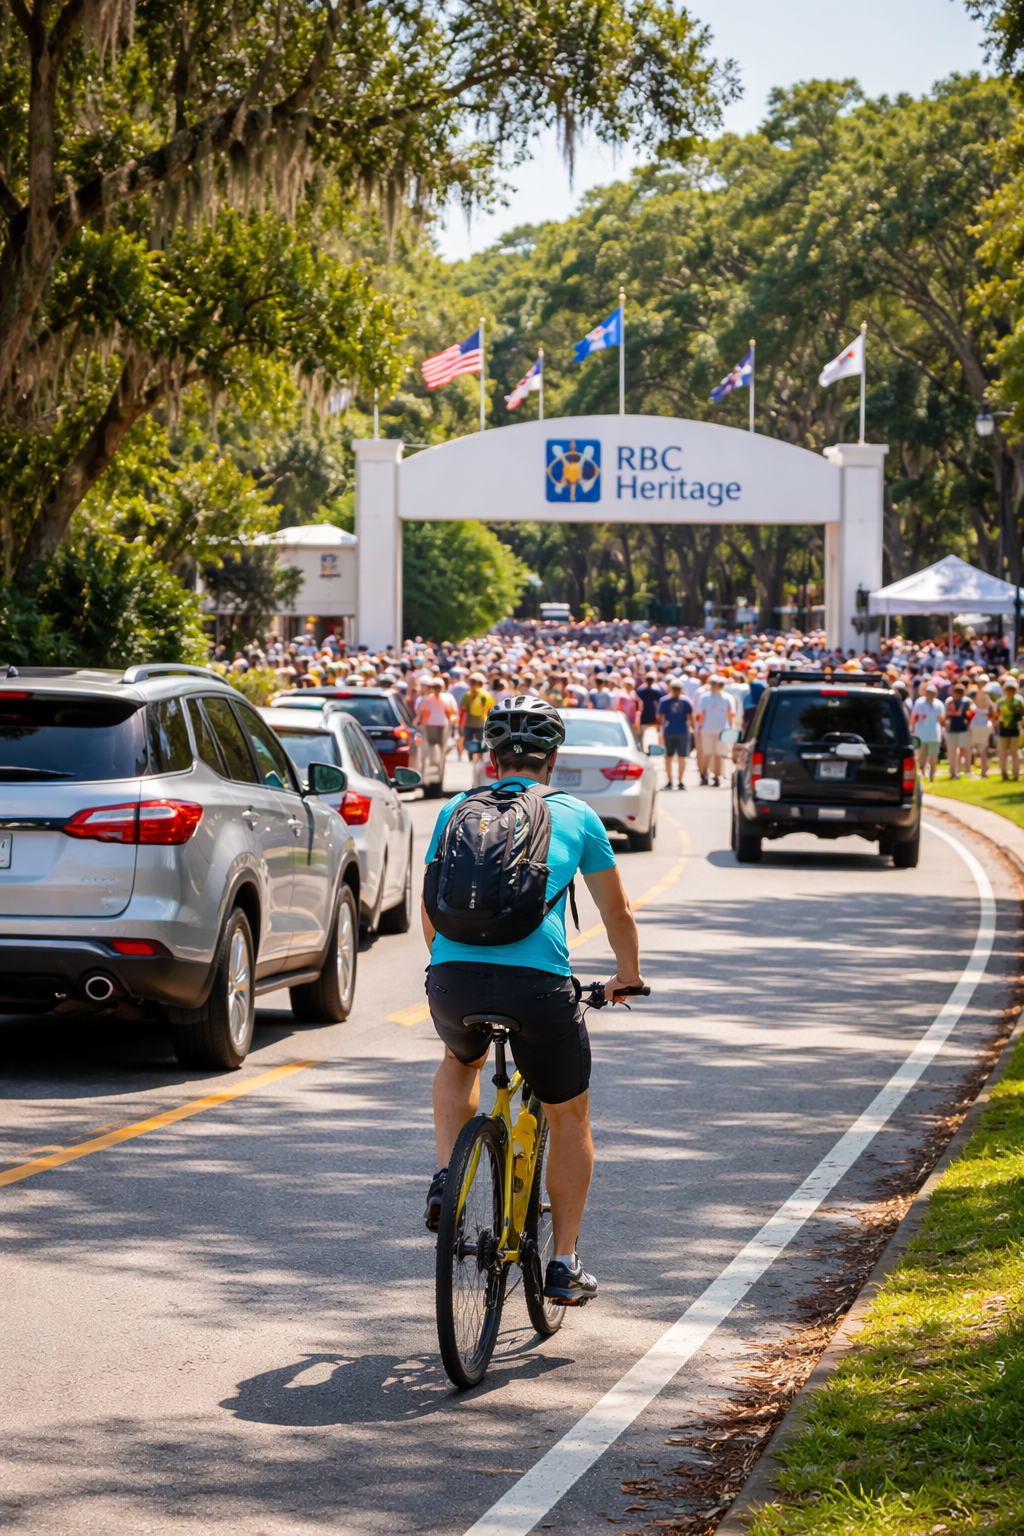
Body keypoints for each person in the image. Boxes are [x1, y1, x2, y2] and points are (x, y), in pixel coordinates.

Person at [421, 697, 643, 1306]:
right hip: (538, 990)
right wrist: (627, 976)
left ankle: (448, 1175)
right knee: (569, 1113)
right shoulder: (575, 814)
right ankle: (565, 1263)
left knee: (457, 1062)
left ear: (490, 757)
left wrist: (449, 966)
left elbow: (431, 909)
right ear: (553, 760)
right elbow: (616, 911)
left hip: (453, 980)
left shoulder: (453, 811)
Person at [694, 675, 735, 786]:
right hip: (708, 730)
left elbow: (731, 715)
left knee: (717, 754)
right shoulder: (705, 697)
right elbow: (701, 714)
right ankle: (704, 775)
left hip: (720, 730)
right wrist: (699, 727)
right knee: (708, 753)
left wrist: (731, 729)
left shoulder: (727, 697)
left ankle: (716, 776)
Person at [415, 678, 457, 787]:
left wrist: (452, 725)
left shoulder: (447, 698)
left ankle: (439, 768)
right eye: (435, 687)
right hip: (430, 725)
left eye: (438, 687)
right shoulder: (427, 699)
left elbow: (451, 712)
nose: (436, 689)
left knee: (441, 749)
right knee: (431, 747)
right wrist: (418, 721)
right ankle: (431, 768)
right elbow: (421, 712)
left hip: (443, 725)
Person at [656, 679, 694, 790]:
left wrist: (693, 729)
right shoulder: (664, 701)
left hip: (683, 731)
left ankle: (680, 780)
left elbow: (691, 717)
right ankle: (670, 780)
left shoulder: (686, 701)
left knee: (682, 757)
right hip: (670, 731)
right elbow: (660, 718)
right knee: (668, 757)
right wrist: (660, 732)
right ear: (671, 689)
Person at [909, 681, 944, 783]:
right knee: (922, 756)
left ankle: (932, 776)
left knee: (933, 756)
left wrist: (939, 718)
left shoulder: (939, 704)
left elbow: (941, 719)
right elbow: (913, 718)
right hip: (921, 734)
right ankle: (923, 774)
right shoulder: (919, 702)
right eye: (928, 692)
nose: (930, 694)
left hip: (935, 734)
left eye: (932, 692)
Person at [458, 671, 495, 756]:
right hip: (481, 723)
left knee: (469, 743)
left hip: (469, 723)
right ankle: (478, 759)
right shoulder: (486, 695)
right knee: (481, 744)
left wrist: (460, 724)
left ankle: (472, 757)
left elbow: (462, 711)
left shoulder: (467, 695)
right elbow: (491, 709)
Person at [996, 675, 1024, 781]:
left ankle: (1015, 774)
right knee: (1003, 753)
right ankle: (1004, 773)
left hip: (1015, 729)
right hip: (1003, 729)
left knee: (1014, 753)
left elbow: (1021, 715)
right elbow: (997, 716)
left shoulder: (1018, 701)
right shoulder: (1001, 701)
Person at [944, 681, 972, 779]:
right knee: (965, 750)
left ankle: (954, 772)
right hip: (961, 728)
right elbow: (971, 715)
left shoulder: (950, 701)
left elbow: (946, 716)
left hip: (955, 728)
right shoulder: (967, 701)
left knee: (953, 751)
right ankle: (966, 770)